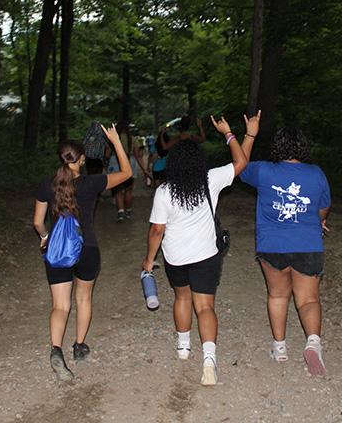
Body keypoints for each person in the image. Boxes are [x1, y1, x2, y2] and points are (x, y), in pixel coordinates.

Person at [141, 115, 252, 386]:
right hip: (206, 255)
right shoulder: (210, 179)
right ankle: (209, 360)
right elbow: (241, 163)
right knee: (205, 306)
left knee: (182, 298)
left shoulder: (164, 191)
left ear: (173, 163)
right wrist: (229, 134)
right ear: (200, 160)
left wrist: (148, 261)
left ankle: (183, 347)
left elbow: (157, 231)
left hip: (176, 257)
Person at [31, 124, 132, 381]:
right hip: (87, 248)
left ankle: (56, 349)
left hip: (57, 251)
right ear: (82, 159)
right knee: (83, 299)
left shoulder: (46, 186)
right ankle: (79, 346)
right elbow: (127, 172)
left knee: (60, 305)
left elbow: (37, 222)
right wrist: (116, 142)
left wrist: (45, 237)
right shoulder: (92, 182)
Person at [239, 120, 332, 376]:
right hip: (308, 244)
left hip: (273, 245)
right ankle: (313, 343)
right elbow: (323, 208)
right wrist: (319, 220)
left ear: (277, 147)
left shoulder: (264, 171)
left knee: (278, 295)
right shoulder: (317, 174)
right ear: (302, 147)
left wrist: (249, 135)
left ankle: (279, 348)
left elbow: (240, 164)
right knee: (308, 299)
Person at [107, 122, 149, 220]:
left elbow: (107, 154)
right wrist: (144, 170)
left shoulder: (113, 139)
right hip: (130, 163)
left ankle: (120, 212)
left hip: (115, 163)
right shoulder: (133, 139)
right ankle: (128, 211)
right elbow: (138, 156)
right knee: (128, 190)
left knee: (117, 190)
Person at [153, 115, 206, 186]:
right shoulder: (192, 137)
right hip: (192, 163)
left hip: (179, 165)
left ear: (180, 127)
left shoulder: (177, 139)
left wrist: (162, 135)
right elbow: (203, 139)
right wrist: (200, 126)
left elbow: (165, 147)